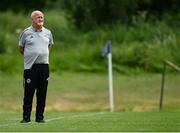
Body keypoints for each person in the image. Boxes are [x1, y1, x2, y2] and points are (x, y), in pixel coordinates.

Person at [19, 10, 54, 123]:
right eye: (38, 17)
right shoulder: (26, 33)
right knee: (28, 93)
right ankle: (26, 117)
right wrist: (32, 55)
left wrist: (42, 55)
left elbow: (49, 47)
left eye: (42, 17)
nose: (40, 19)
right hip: (30, 68)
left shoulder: (48, 32)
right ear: (33, 19)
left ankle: (40, 117)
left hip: (44, 67)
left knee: (42, 93)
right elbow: (21, 49)